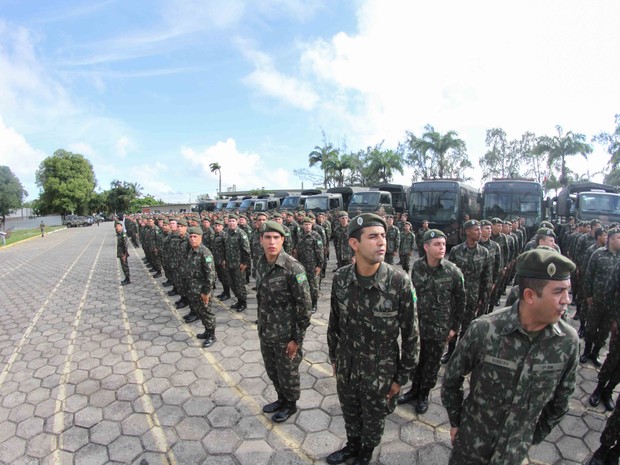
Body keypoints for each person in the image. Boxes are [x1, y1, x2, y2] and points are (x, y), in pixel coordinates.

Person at [441, 248, 579, 465]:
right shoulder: (485, 330)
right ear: (530, 296)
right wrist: (457, 422)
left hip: (514, 454)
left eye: (568, 291)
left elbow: (561, 402)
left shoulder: (567, 342)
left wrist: (528, 438)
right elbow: (451, 380)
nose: (566, 300)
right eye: (558, 292)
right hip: (469, 448)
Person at [327, 213, 419, 465]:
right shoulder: (342, 278)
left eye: (383, 236)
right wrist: (334, 357)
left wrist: (401, 378)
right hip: (348, 366)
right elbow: (334, 322)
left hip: (381, 372)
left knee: (374, 419)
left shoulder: (399, 282)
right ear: (354, 244)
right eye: (373, 236)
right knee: (350, 413)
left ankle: (365, 453)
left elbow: (411, 335)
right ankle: (352, 446)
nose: (382, 242)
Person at [398, 229, 465, 414]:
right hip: (419, 325)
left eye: (443, 244)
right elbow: (413, 295)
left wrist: (454, 328)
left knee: (432, 363)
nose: (442, 248)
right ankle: (413, 390)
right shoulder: (417, 267)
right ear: (426, 247)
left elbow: (461, 301)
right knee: (416, 360)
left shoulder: (453, 272)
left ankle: (424, 394)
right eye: (437, 244)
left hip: (439, 327)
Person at [255, 221, 312, 423]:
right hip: (266, 331)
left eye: (276, 238)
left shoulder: (293, 268)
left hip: (286, 335)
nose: (272, 242)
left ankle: (290, 404)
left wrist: (296, 340)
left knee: (288, 373)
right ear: (261, 240)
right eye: (268, 237)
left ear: (283, 240)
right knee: (272, 371)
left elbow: (305, 307)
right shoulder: (261, 262)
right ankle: (281, 398)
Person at [186, 227, 217, 347]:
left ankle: (212, 335)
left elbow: (210, 275)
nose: (192, 239)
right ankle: (207, 331)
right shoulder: (191, 251)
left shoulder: (205, 252)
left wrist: (206, 292)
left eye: (195, 237)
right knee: (200, 312)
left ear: (201, 238)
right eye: (191, 237)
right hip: (194, 289)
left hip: (204, 290)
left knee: (207, 312)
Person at [115, 220, 130, 285]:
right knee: (123, 266)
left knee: (125, 266)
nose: (117, 227)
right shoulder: (119, 234)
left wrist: (124, 254)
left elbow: (125, 245)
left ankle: (127, 279)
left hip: (123, 254)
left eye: (119, 226)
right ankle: (126, 278)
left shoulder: (123, 234)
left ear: (121, 227)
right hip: (121, 253)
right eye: (116, 226)